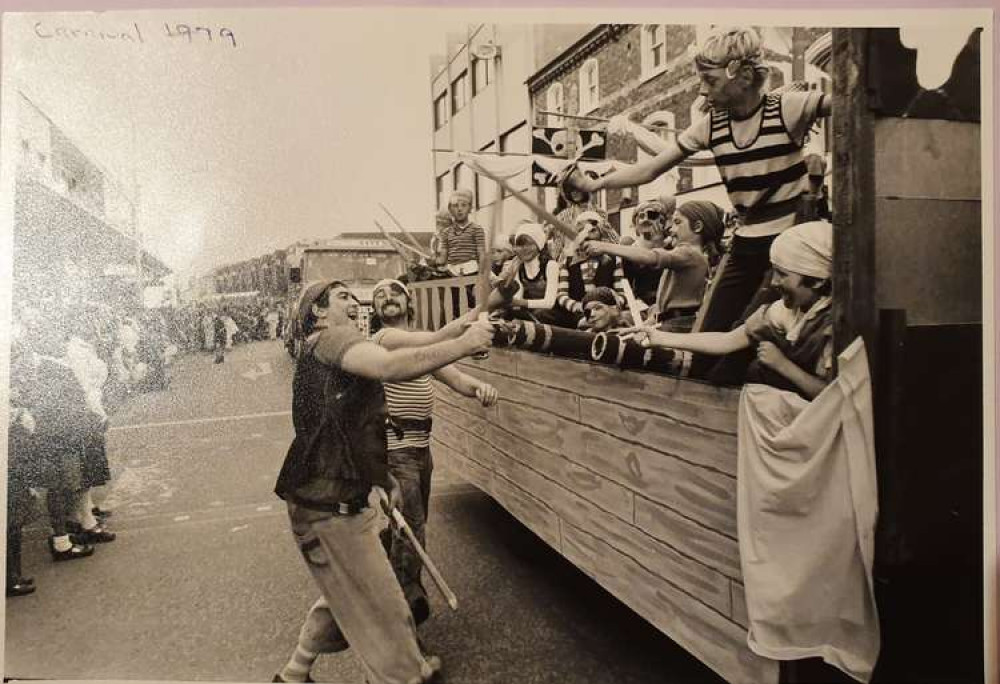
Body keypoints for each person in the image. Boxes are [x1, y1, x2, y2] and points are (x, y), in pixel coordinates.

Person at [565, 26, 831, 381]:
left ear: (745, 76)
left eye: (710, 79)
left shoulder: (788, 108)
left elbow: (851, 102)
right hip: (746, 247)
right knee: (703, 347)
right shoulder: (712, 125)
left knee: (746, 346)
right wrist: (595, 182)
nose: (702, 91)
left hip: (787, 248)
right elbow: (649, 170)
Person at [273, 279, 493, 684]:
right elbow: (391, 367)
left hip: (330, 502)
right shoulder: (331, 338)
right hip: (326, 509)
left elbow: (350, 427)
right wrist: (464, 343)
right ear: (318, 312)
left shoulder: (331, 349)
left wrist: (383, 478)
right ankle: (406, 672)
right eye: (342, 297)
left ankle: (294, 674)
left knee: (352, 595)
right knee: (382, 607)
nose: (354, 302)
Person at [370, 278, 498, 627]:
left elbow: (457, 379)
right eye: (379, 295)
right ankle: (407, 605)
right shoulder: (384, 340)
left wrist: (480, 388)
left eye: (394, 291)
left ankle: (383, 558)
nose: (387, 297)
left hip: (421, 451)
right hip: (395, 451)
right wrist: (472, 323)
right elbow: (437, 339)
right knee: (413, 526)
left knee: (410, 524)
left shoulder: (426, 354)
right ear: (376, 311)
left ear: (409, 303)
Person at [628, 221, 833, 400]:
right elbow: (727, 341)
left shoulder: (834, 324)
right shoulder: (784, 311)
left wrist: (783, 366)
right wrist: (658, 337)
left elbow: (835, 399)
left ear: (816, 279)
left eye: (782, 275)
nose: (774, 283)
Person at [584, 200, 725, 332]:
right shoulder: (686, 254)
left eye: (677, 222)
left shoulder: (689, 254)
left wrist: (603, 246)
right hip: (669, 322)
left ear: (697, 227)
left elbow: (651, 257)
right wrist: (635, 329)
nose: (671, 229)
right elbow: (663, 312)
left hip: (678, 326)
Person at [552, 210, 629, 328]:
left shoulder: (613, 259)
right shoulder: (567, 260)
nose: (586, 235)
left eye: (592, 231)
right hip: (577, 313)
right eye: (581, 231)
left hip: (606, 313)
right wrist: (578, 307)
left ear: (601, 233)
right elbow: (561, 295)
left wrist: (606, 308)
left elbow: (622, 293)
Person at [488, 223, 560, 322]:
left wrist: (521, 303)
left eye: (529, 244)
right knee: (504, 313)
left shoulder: (551, 265)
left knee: (540, 314)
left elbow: (549, 302)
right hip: (531, 311)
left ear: (539, 244)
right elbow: (518, 297)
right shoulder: (519, 267)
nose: (524, 249)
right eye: (520, 245)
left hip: (551, 313)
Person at [619, 197, 675, 306]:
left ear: (662, 221)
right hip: (642, 305)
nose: (645, 219)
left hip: (670, 301)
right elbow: (627, 285)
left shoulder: (672, 246)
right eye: (641, 216)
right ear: (635, 224)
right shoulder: (630, 250)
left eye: (651, 215)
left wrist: (659, 244)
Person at [437, 189, 486, 275]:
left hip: (471, 270)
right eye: (455, 206)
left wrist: (481, 275)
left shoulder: (476, 229)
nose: (460, 209)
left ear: (470, 208)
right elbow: (443, 258)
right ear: (450, 209)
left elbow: (481, 254)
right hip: (452, 272)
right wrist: (434, 260)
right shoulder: (446, 233)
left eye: (464, 205)